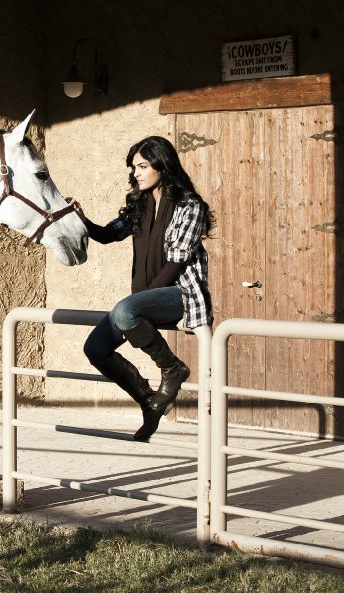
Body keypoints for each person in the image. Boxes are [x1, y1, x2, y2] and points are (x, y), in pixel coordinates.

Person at [83, 135, 213, 442]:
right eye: (134, 167)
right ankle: (149, 401)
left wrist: (139, 303)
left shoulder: (189, 206)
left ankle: (173, 370)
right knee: (95, 349)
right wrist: (79, 218)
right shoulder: (139, 205)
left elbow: (176, 263)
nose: (136, 173)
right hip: (144, 302)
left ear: (162, 165)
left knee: (126, 309)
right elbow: (105, 235)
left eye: (142, 166)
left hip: (180, 294)